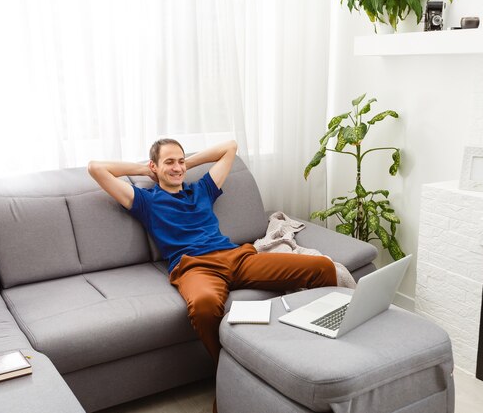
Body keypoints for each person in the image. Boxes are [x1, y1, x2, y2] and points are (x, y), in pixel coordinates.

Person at [88, 139, 337, 363]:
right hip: (194, 267)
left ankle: (327, 341)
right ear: (154, 166)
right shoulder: (145, 200)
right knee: (204, 305)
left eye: (180, 161)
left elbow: (230, 146)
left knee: (322, 267)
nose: (177, 168)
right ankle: (230, 370)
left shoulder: (202, 189)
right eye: (169, 162)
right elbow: (96, 168)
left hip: (237, 257)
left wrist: (185, 164)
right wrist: (147, 169)